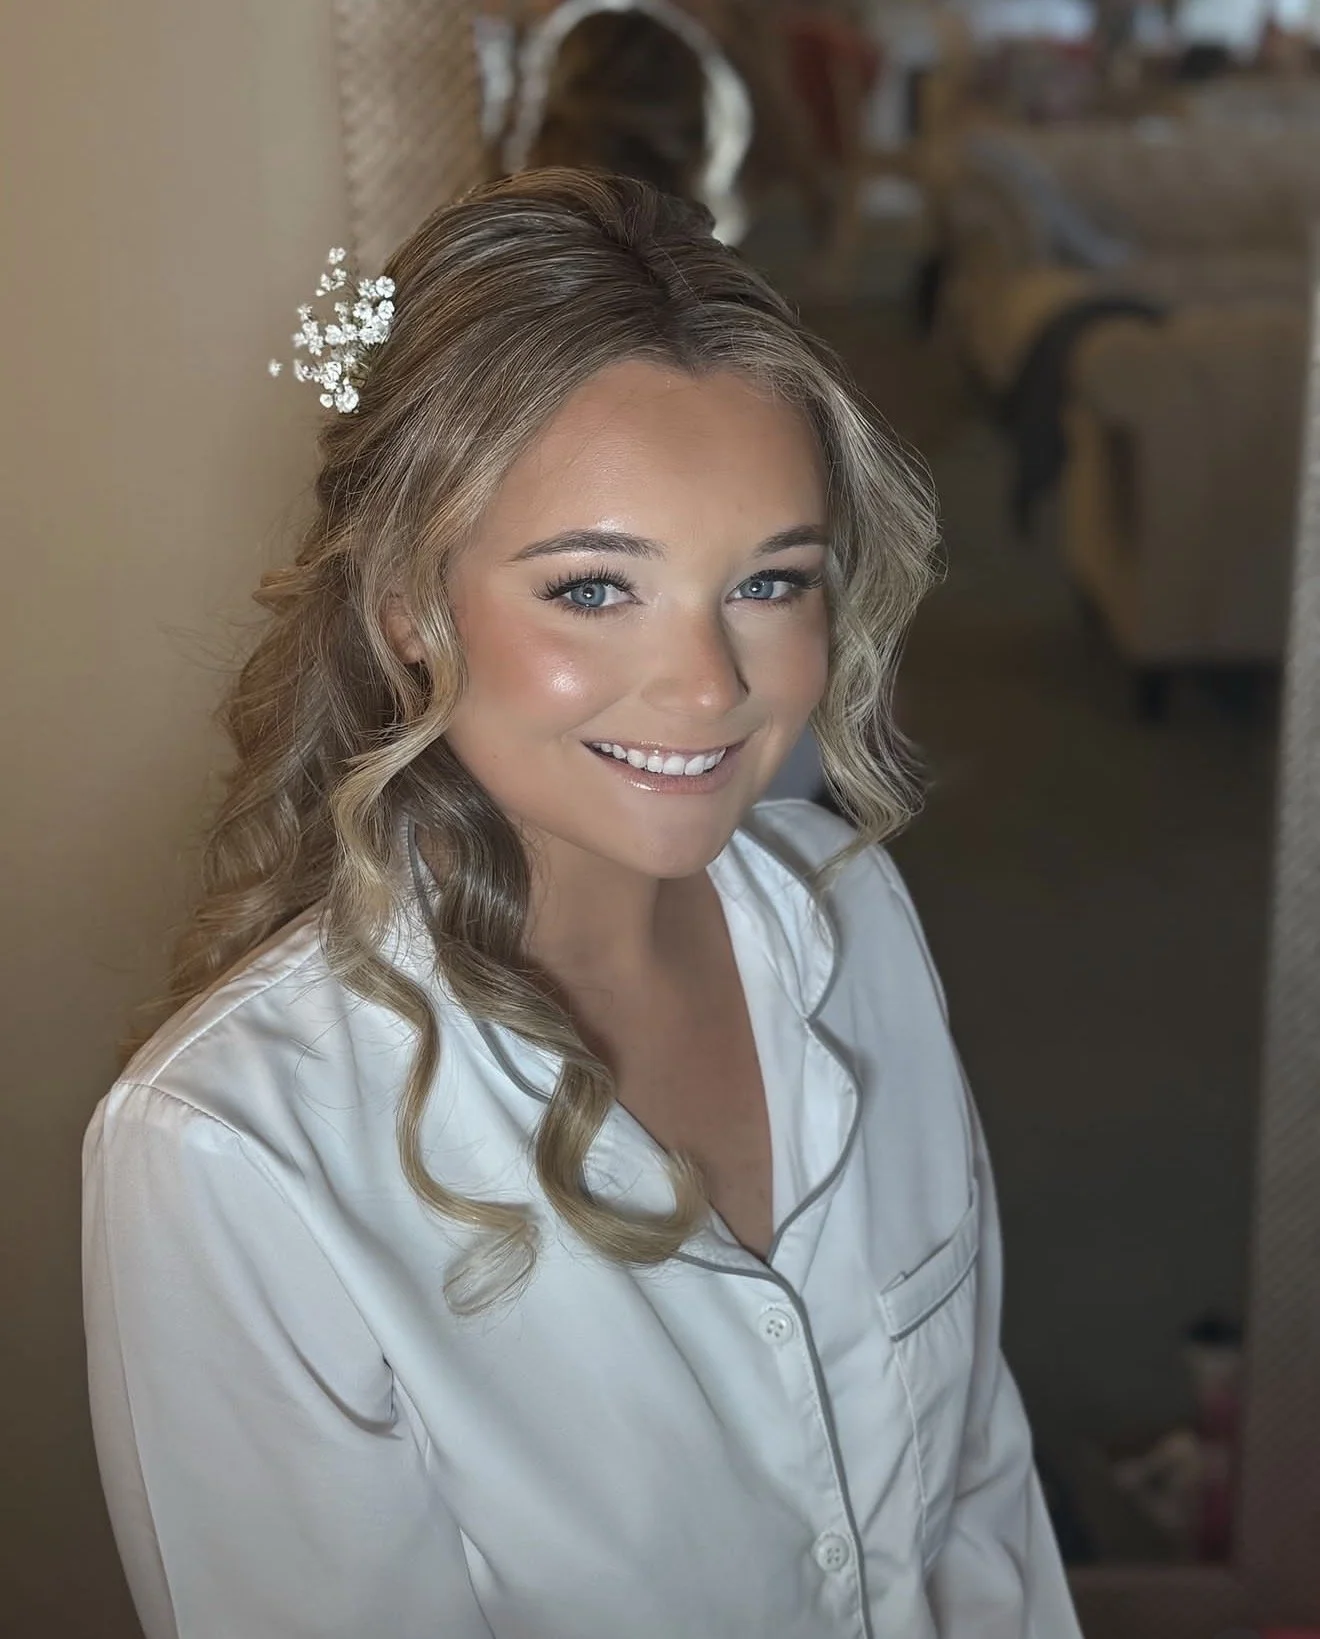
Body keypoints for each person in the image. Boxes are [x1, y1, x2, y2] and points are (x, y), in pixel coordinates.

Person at [82, 168, 1083, 1638]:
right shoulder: (235, 1151)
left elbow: (982, 1504)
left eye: (770, 583)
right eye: (595, 589)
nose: (709, 686)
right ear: (408, 605)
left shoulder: (855, 912)